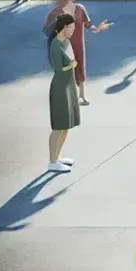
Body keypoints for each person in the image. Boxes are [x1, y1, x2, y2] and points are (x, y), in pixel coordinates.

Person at [43, 0, 111, 107]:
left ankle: (82, 95)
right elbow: (46, 31)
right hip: (64, 47)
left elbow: (89, 25)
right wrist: (57, 37)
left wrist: (99, 29)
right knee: (66, 71)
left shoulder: (80, 9)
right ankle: (67, 97)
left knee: (80, 68)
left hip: (79, 45)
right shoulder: (55, 12)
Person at [46, 14, 80, 172]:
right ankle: (52, 162)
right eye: (71, 27)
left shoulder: (65, 42)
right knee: (59, 126)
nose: (73, 30)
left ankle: (58, 158)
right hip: (60, 87)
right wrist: (71, 65)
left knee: (66, 125)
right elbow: (58, 70)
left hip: (69, 85)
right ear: (64, 27)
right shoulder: (55, 45)